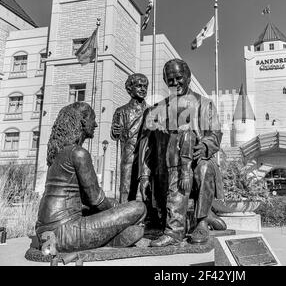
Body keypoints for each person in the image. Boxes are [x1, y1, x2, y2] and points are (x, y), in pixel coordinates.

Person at [35, 102, 146, 253]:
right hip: (64, 233)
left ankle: (109, 240)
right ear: (82, 121)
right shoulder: (78, 153)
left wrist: (114, 208)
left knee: (125, 219)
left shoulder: (57, 154)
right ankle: (109, 240)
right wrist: (120, 211)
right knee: (138, 207)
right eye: (93, 119)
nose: (95, 124)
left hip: (44, 232)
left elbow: (83, 201)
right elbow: (96, 200)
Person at [136, 58, 225, 247]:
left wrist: (204, 147)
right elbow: (147, 145)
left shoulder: (204, 104)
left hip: (196, 160)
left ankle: (201, 222)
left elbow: (215, 134)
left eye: (179, 78)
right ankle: (181, 222)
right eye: (170, 79)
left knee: (204, 168)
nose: (175, 83)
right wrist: (144, 175)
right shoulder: (157, 109)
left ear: (188, 77)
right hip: (166, 164)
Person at [111, 73, 149, 203]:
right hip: (128, 153)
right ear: (129, 89)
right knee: (126, 184)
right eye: (139, 86)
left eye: (145, 86)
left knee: (144, 186)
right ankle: (124, 211)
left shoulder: (151, 111)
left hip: (146, 153)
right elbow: (115, 135)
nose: (143, 89)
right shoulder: (121, 111)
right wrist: (116, 132)